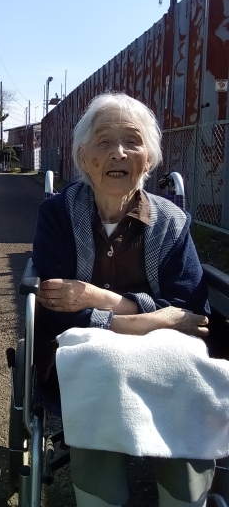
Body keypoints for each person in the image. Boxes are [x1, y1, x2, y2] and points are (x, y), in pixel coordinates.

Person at [32, 93, 213, 507]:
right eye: (104, 141)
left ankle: (185, 498)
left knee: (184, 369)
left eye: (132, 141)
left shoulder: (171, 222)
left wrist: (98, 299)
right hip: (85, 358)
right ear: (83, 157)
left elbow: (190, 313)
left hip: (163, 357)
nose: (118, 153)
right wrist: (155, 318)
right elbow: (56, 316)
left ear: (148, 159)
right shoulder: (57, 215)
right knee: (100, 365)